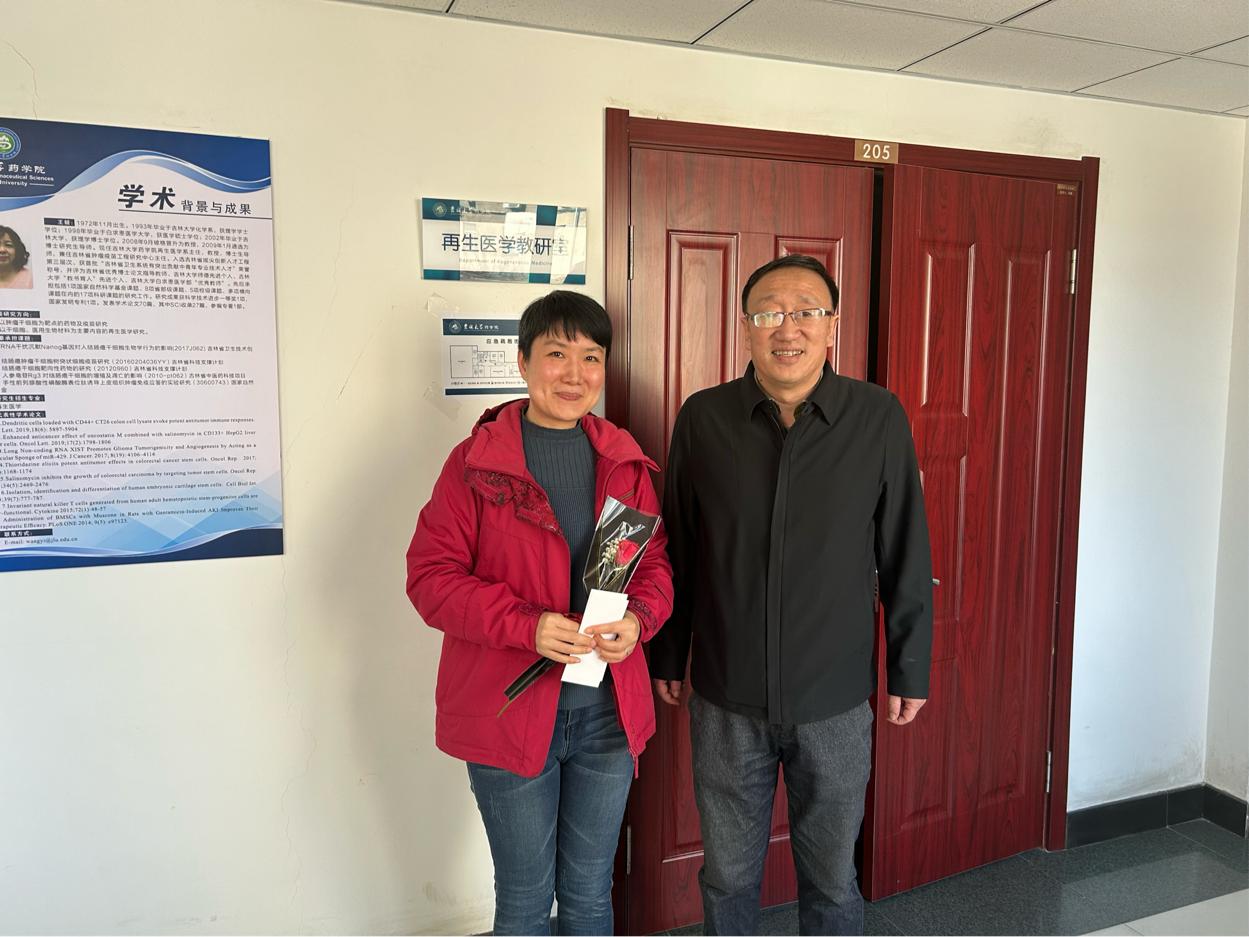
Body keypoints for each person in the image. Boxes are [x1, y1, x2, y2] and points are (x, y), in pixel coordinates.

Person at [649, 254, 933, 936]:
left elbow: (904, 548)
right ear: (745, 325)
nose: (788, 327)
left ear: (831, 324)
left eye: (806, 310)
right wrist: (668, 653)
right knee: (726, 878)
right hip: (726, 696)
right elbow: (678, 547)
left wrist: (909, 666)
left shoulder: (876, 416)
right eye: (769, 312)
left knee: (832, 881)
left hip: (833, 699)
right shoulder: (704, 418)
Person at [406, 291, 673, 936]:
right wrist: (526, 625)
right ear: (523, 362)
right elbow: (430, 578)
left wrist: (638, 620)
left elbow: (655, 567)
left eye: (591, 357)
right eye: (557, 354)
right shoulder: (477, 464)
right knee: (525, 899)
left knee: (590, 892)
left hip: (607, 715)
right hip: (511, 711)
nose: (575, 374)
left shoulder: (624, 462)